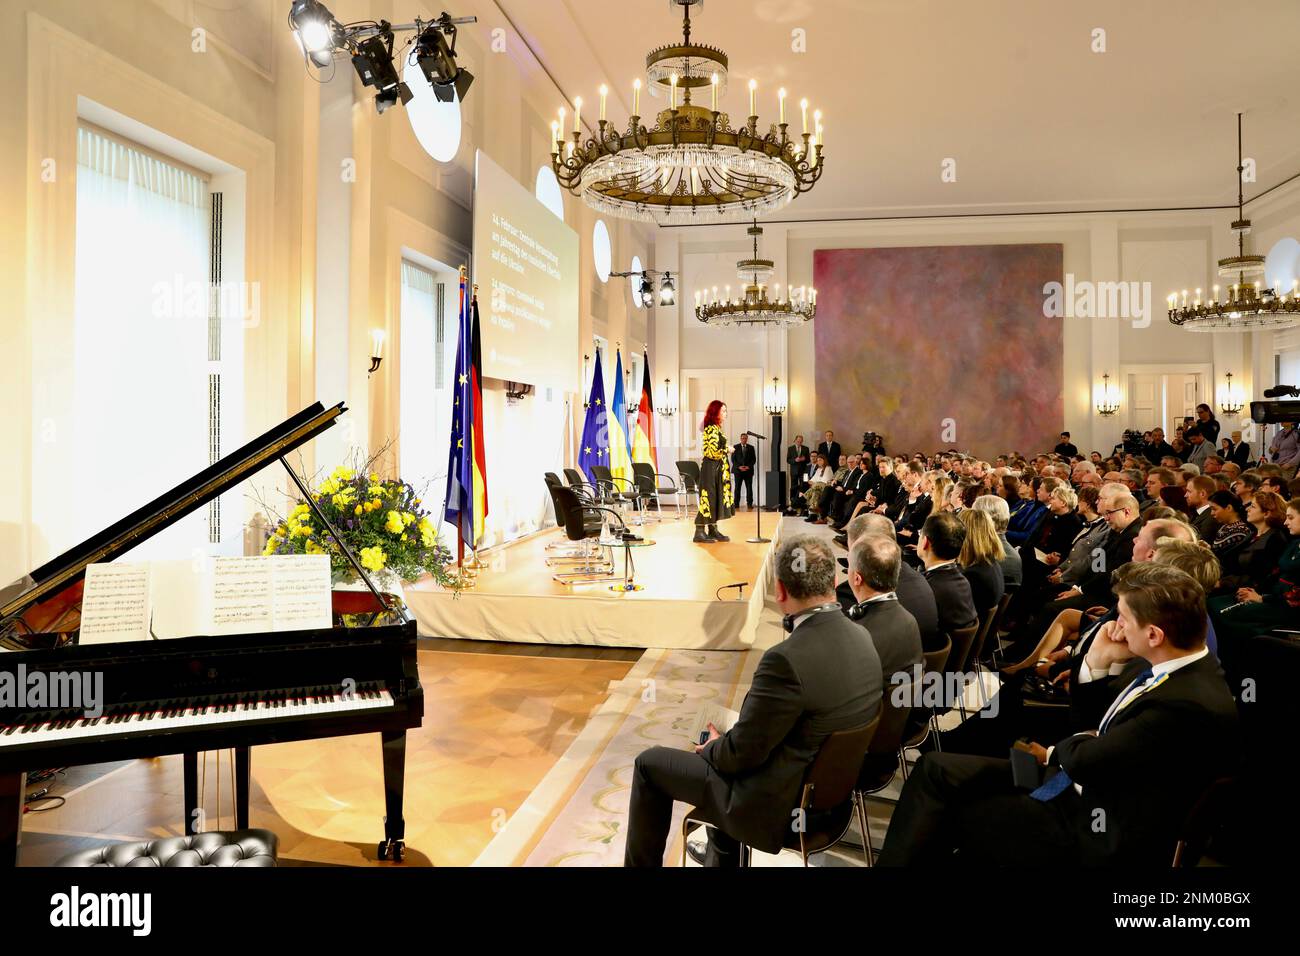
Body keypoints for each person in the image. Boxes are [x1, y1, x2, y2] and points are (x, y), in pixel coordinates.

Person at [879, 563, 1239, 866]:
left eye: (1124, 618)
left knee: (956, 809)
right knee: (935, 769)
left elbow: (1089, 755)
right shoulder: (1157, 664)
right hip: (1076, 780)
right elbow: (1089, 728)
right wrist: (1097, 664)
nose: (1115, 626)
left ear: (1155, 634)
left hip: (1095, 823)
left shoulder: (1186, 702)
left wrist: (1063, 750)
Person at [625, 536, 882, 867]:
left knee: (651, 763)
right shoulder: (863, 635)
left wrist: (714, 747)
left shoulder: (785, 660)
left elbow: (740, 756)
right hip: (833, 799)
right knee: (729, 729)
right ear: (834, 581)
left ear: (780, 591)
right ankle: (722, 856)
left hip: (777, 807)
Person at [693, 400, 734, 543]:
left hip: (716, 469)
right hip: (710, 469)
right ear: (715, 412)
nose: (725, 414)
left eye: (725, 411)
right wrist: (727, 450)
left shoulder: (716, 428)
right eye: (723, 411)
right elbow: (710, 452)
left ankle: (712, 529)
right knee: (708, 498)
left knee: (715, 498)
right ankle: (699, 531)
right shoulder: (710, 428)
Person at [731, 433, 757, 510]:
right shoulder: (735, 447)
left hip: (748, 471)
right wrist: (739, 467)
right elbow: (733, 459)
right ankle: (736, 504)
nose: (744, 440)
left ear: (747, 439)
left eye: (745, 438)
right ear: (740, 439)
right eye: (742, 438)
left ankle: (749, 504)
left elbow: (753, 459)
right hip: (738, 471)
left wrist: (748, 466)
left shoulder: (751, 448)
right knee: (737, 488)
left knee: (749, 488)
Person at [786, 434, 811, 506]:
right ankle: (792, 502)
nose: (799, 443)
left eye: (800, 441)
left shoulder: (806, 448)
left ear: (802, 441)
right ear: (795, 440)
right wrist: (795, 460)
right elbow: (788, 460)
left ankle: (802, 503)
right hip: (794, 471)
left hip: (804, 471)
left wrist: (804, 459)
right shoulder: (790, 448)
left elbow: (809, 460)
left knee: (804, 486)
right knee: (793, 487)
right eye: (798, 441)